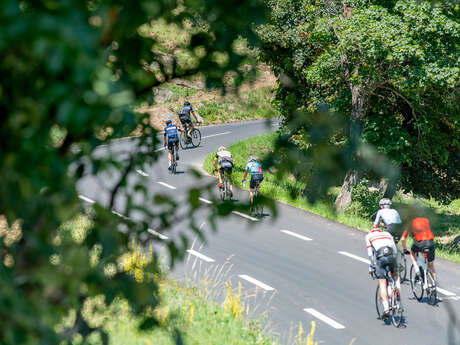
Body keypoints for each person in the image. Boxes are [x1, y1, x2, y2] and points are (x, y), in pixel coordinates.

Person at [366, 224, 399, 321]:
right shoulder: (387, 234)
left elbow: (370, 254)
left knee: (382, 283)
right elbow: (395, 250)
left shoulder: (368, 236)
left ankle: (386, 308)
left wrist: (372, 266)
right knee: (394, 275)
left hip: (381, 258)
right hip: (391, 256)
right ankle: (396, 289)